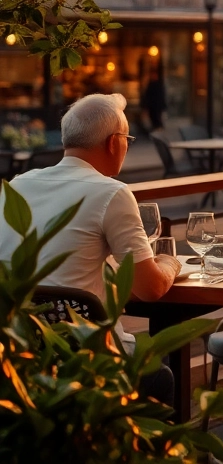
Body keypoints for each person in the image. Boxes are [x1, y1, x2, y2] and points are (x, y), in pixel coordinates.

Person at [0, 93, 182, 405]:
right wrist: (169, 262)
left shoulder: (17, 185)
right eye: (127, 139)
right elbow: (150, 288)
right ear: (114, 142)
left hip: (22, 353)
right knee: (159, 376)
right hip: (85, 355)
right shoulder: (111, 192)